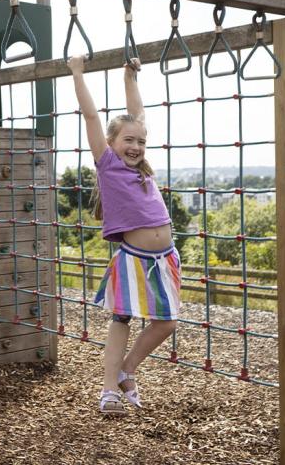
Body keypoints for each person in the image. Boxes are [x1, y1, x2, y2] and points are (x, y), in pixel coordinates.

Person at [68, 55, 181, 415]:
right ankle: (108, 390)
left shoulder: (142, 169)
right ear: (112, 142)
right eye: (128, 140)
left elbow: (139, 114)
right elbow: (90, 115)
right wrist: (77, 72)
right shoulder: (108, 164)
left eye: (141, 142)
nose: (135, 146)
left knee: (167, 321)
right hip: (134, 258)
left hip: (165, 259)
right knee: (121, 319)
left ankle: (126, 370)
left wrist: (128, 76)